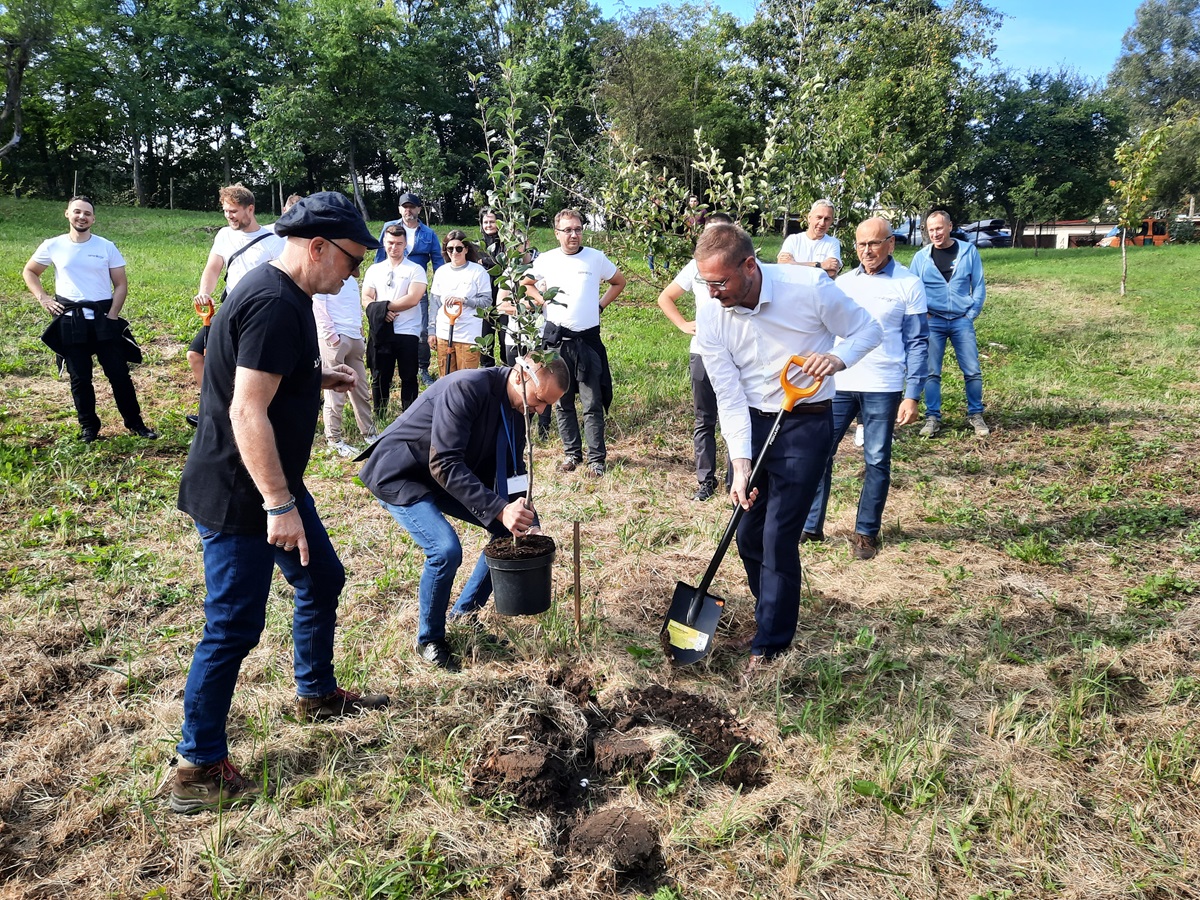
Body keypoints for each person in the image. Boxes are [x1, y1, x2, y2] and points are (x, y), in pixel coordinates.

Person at [170, 192, 389, 815]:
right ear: (316, 246)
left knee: (323, 578)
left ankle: (314, 692)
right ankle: (197, 765)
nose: (353, 272)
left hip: (274, 489)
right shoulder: (271, 301)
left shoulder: (287, 293)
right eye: (350, 259)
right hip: (244, 496)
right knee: (233, 625)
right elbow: (246, 408)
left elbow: (253, 371)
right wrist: (276, 503)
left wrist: (317, 378)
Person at [693, 223, 881, 676]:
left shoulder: (809, 287)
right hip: (752, 424)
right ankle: (770, 615)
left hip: (806, 422)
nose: (714, 293)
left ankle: (772, 643)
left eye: (721, 282)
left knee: (778, 536)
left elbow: (867, 330)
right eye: (706, 284)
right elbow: (729, 394)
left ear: (750, 266)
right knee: (748, 535)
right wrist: (739, 464)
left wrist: (837, 359)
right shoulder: (713, 314)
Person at [359, 357, 569, 670]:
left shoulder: (515, 410)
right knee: (445, 550)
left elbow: (515, 471)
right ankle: (429, 639)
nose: (540, 411)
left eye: (546, 405)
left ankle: (465, 614)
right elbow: (444, 462)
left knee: (510, 533)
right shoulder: (467, 387)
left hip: (445, 477)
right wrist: (499, 509)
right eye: (539, 400)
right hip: (403, 473)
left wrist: (529, 521)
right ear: (521, 375)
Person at [803, 217, 929, 560]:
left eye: (874, 243)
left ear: (891, 243)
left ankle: (866, 533)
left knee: (876, 459)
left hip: (883, 385)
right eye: (860, 244)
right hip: (839, 383)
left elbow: (918, 342)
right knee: (820, 453)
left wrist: (912, 393)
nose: (867, 251)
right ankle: (810, 526)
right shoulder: (842, 283)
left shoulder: (909, 284)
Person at [23, 195, 157, 443]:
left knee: (119, 374)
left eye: (87, 213)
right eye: (77, 212)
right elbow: (30, 271)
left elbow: (120, 284)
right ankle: (89, 428)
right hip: (70, 317)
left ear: (93, 218)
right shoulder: (53, 245)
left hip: (104, 316)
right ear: (67, 214)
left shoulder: (106, 246)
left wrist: (114, 314)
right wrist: (43, 298)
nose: (81, 216)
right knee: (80, 377)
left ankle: (136, 423)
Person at [523, 209, 627, 477]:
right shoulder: (546, 260)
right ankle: (571, 454)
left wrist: (600, 305)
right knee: (562, 401)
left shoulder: (595, 258)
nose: (573, 234)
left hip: (587, 341)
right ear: (557, 233)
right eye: (567, 230)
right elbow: (527, 283)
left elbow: (618, 282)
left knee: (592, 402)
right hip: (557, 342)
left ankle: (596, 459)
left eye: (578, 229)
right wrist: (542, 301)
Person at [655, 211, 735, 501]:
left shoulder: (742, 266)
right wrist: (683, 324)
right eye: (709, 233)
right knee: (705, 419)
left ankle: (734, 480)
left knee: (734, 416)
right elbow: (666, 297)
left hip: (735, 355)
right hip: (702, 354)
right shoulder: (695, 267)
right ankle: (706, 481)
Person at [189, 185, 285, 424]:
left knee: (245, 369)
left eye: (233, 211)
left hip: (258, 315)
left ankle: (251, 414)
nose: (228, 216)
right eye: (225, 211)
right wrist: (204, 292)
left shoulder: (273, 243)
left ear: (249, 209)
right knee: (196, 355)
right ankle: (212, 410)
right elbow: (213, 268)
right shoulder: (224, 235)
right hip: (228, 310)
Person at [908, 209, 989, 438]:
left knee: (972, 370)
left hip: (961, 320)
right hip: (933, 321)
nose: (935, 233)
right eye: (931, 229)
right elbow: (912, 289)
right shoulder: (921, 258)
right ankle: (932, 417)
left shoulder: (968, 251)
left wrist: (971, 313)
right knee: (931, 372)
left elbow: (979, 284)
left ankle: (975, 414)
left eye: (939, 228)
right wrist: (922, 316)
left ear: (949, 227)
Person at [374, 192, 444, 385]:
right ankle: (383, 366)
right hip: (391, 286)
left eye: (412, 206)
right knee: (385, 322)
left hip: (416, 289)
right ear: (399, 209)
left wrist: (441, 284)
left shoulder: (429, 234)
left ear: (419, 209)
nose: (408, 210)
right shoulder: (390, 228)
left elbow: (438, 262)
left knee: (421, 329)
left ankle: (422, 368)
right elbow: (380, 256)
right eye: (405, 207)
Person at [362, 225, 427, 419]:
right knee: (380, 375)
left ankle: (409, 417)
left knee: (408, 376)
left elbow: (413, 298)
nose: (394, 247)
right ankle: (379, 416)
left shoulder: (416, 269)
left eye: (399, 243)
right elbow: (366, 297)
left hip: (407, 330)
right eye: (390, 243)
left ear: (405, 244)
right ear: (384, 242)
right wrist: (382, 313)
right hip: (382, 329)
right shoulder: (374, 270)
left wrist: (385, 308)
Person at [312, 274, 378, 457]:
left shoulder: (352, 280)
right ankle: (335, 440)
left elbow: (354, 306)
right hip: (335, 338)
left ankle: (370, 434)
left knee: (361, 390)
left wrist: (359, 332)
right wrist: (331, 337)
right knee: (335, 392)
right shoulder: (327, 275)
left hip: (354, 337)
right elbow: (318, 305)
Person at [428, 230, 491, 375]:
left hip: (469, 334)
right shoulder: (441, 272)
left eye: (459, 248)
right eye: (450, 249)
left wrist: (464, 300)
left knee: (466, 379)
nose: (454, 252)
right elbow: (435, 304)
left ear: (466, 249)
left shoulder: (478, 271)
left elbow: (487, 301)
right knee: (446, 377)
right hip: (444, 333)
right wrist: (432, 331)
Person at [777, 199, 842, 278]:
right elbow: (783, 265)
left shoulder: (833, 243)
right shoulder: (793, 240)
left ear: (831, 221)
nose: (822, 223)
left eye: (827, 219)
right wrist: (820, 265)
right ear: (809, 218)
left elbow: (831, 273)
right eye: (819, 217)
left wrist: (795, 264)